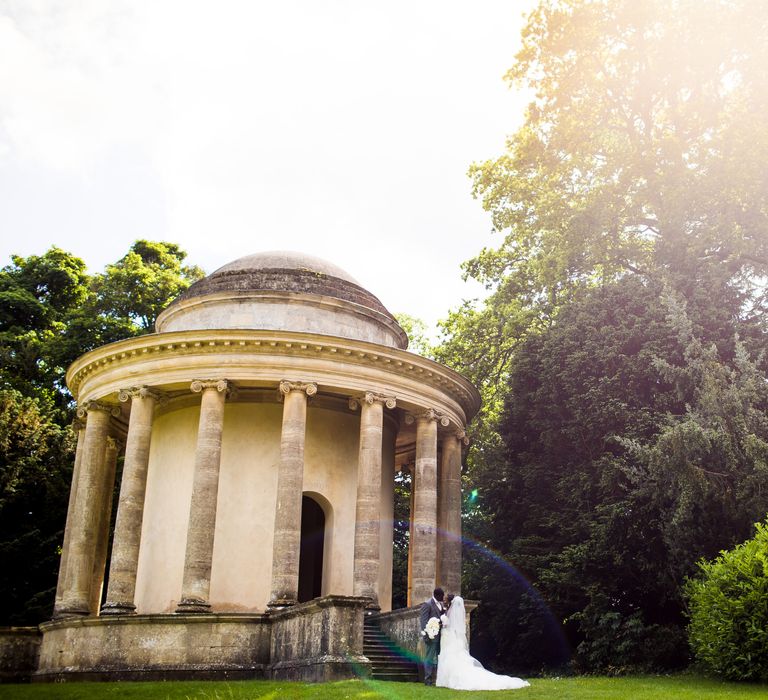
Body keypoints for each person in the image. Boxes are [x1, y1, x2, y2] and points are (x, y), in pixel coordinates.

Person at [436, 595, 530, 691]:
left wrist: (443, 626)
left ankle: (449, 680)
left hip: (451, 639)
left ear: (451, 603)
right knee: (451, 658)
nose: (444, 601)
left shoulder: (451, 614)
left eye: (445, 599)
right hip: (452, 639)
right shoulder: (452, 613)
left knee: (451, 658)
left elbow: (450, 627)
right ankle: (446, 680)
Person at [419, 587, 445, 686]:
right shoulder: (427, 604)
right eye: (442, 595)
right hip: (431, 637)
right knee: (429, 658)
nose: (443, 597)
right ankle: (428, 680)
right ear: (437, 595)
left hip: (441, 637)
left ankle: (439, 679)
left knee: (440, 658)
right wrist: (427, 636)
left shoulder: (441, 604)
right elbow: (423, 621)